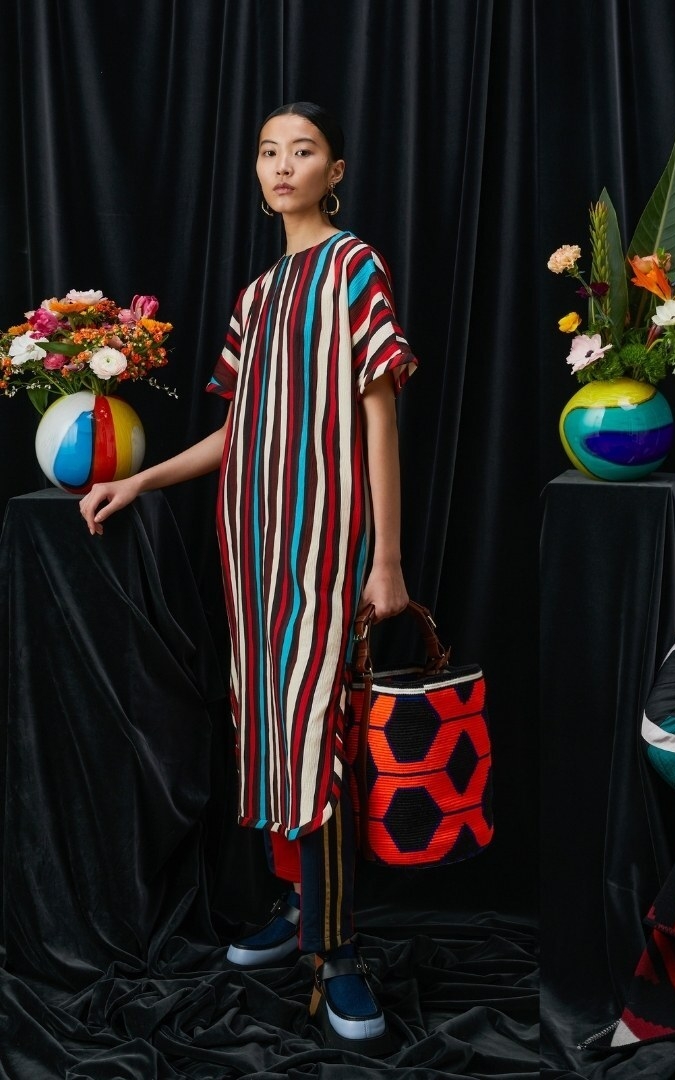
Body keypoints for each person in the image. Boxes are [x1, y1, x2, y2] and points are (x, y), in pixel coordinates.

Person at [79, 101, 417, 1045]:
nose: (282, 165)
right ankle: (298, 907)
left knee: (317, 732)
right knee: (268, 723)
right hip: (253, 547)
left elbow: (380, 414)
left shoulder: (354, 267)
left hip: (328, 543)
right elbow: (238, 431)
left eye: (302, 151)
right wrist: (138, 478)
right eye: (269, 151)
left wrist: (387, 558)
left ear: (334, 171)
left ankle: (338, 952)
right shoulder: (256, 297)